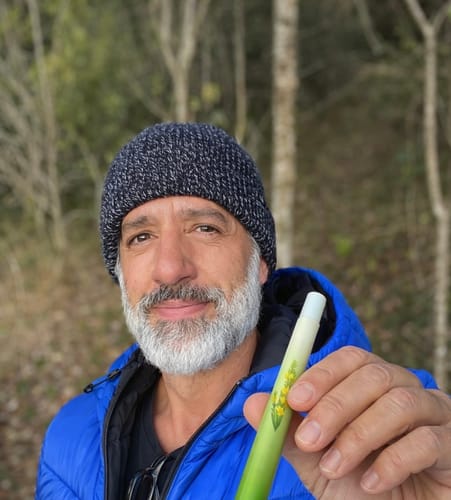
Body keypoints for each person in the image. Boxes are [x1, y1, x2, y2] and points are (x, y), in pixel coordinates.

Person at [36, 122, 451, 499]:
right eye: (141, 237)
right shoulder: (71, 439)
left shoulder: (382, 436)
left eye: (205, 228)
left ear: (260, 262)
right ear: (121, 273)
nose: (170, 268)